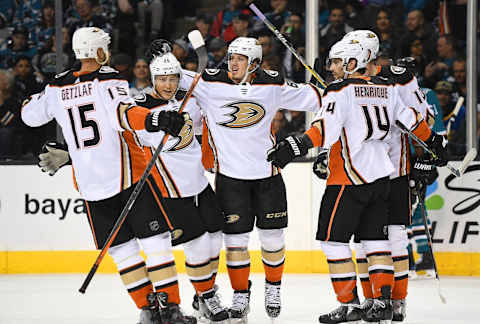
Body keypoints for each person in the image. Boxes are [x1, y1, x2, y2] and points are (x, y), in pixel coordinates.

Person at [20, 27, 194, 324]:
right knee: (156, 242)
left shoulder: (56, 87)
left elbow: (30, 116)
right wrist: (156, 118)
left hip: (90, 186)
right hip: (126, 177)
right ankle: (171, 309)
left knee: (123, 251)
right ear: (100, 52)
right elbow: (124, 115)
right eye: (107, 48)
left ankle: (148, 311)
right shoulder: (109, 79)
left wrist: (33, 106)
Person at [267, 39, 447, 324]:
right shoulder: (386, 88)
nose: (332, 68)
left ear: (352, 64)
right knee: (376, 241)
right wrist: (435, 142)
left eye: (336, 62)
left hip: (348, 179)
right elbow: (411, 120)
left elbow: (324, 129)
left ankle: (349, 303)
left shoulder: (340, 90)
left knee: (332, 242)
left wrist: (296, 144)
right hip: (380, 178)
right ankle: (382, 302)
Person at [180, 36, 322, 323]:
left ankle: (273, 288)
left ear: (254, 64)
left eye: (240, 59)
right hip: (230, 179)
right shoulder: (210, 84)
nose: (232, 63)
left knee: (272, 239)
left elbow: (320, 99)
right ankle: (240, 293)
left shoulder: (272, 84)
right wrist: (164, 58)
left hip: (268, 174)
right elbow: (174, 76)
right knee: (235, 243)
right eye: (231, 57)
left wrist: (326, 85)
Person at [135, 42, 228, 323]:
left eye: (173, 78)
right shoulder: (141, 107)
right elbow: (126, 133)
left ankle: (203, 294)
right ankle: (208, 296)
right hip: (171, 191)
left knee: (215, 239)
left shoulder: (189, 100)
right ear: (153, 80)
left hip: (200, 183)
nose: (168, 83)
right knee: (197, 245)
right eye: (162, 79)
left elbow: (207, 115)